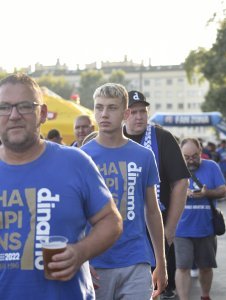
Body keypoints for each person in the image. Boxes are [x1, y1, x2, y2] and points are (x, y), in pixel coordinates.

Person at [0, 74, 123, 300]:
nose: (14, 115)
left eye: (25, 106)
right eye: (4, 107)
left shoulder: (75, 162)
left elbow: (111, 220)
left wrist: (80, 252)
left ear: (43, 114)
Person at [81, 83, 167, 300]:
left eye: (111, 108)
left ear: (125, 113)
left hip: (136, 259)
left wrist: (162, 262)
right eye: (99, 107)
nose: (104, 114)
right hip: (96, 262)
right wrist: (81, 260)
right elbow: (73, 214)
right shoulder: (81, 157)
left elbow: (152, 211)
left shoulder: (144, 156)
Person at [123, 90, 190, 299]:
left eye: (143, 111)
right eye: (133, 112)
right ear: (124, 114)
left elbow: (181, 182)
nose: (139, 116)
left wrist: (169, 230)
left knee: (156, 290)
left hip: (154, 232)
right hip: (121, 232)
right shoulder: (112, 139)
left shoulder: (162, 138)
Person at [175, 138, 226, 300]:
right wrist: (184, 193)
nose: (191, 160)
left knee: (206, 267)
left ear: (201, 151)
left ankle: (205, 296)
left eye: (195, 156)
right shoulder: (173, 168)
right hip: (181, 229)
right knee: (182, 267)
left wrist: (207, 193)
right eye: (187, 157)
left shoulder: (211, 166)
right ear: (180, 154)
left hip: (206, 227)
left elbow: (223, 191)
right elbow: (164, 196)